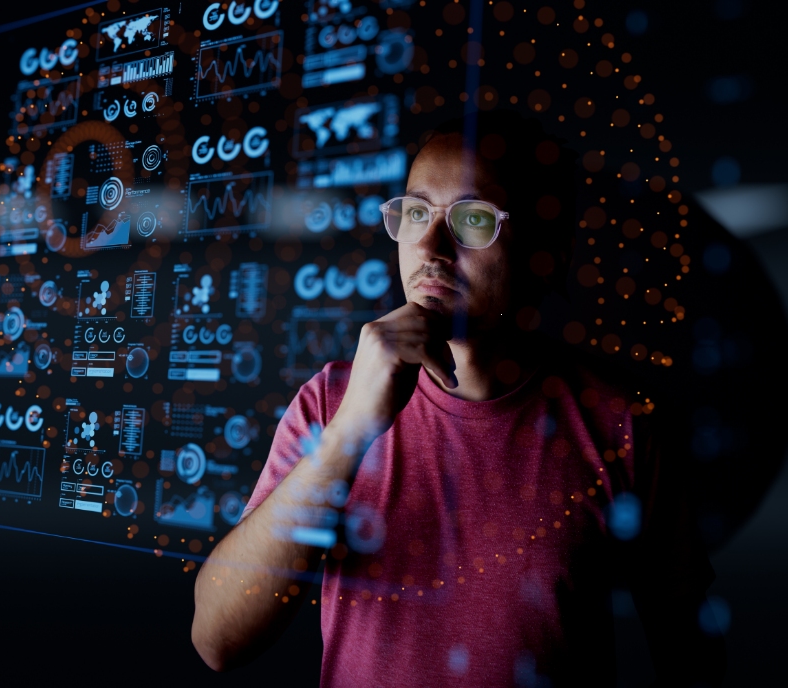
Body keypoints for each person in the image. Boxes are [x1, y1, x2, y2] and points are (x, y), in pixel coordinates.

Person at [191, 110, 726, 687]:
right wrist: (347, 436)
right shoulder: (329, 402)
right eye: (415, 212)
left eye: (472, 219)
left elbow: (688, 650)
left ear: (543, 250)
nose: (429, 245)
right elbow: (218, 641)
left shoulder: (619, 423)